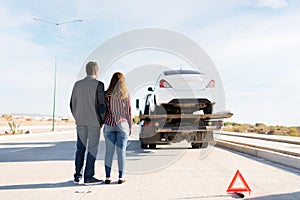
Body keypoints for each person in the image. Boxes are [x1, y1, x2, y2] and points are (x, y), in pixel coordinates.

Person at [70, 61, 105, 185]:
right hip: (94, 122)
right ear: (96, 71)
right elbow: (102, 105)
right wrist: (102, 120)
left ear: (87, 71)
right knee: (92, 149)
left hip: (80, 122)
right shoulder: (99, 85)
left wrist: (77, 117)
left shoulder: (77, 85)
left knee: (80, 149)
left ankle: (77, 176)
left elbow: (72, 104)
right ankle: (88, 177)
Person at [103, 72, 131, 184]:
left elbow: (103, 111)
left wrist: (102, 121)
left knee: (109, 152)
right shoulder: (126, 95)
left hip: (109, 124)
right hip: (122, 124)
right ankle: (121, 177)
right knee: (121, 152)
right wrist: (130, 126)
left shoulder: (106, 95)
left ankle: (108, 177)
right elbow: (128, 112)